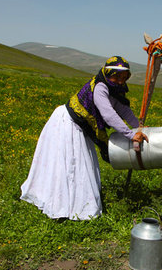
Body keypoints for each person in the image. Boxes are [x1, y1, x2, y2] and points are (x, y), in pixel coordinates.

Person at [20, 56, 148, 220]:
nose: (120, 81)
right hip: (68, 124)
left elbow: (123, 111)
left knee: (80, 165)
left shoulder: (116, 90)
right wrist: (131, 134)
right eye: (116, 76)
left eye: (123, 77)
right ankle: (65, 205)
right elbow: (109, 115)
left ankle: (76, 202)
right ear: (108, 73)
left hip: (80, 127)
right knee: (69, 165)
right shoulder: (101, 87)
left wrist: (139, 127)